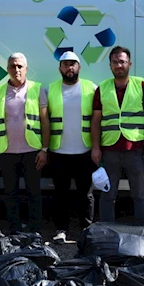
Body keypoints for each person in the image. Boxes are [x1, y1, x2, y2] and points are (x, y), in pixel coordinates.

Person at [91, 46, 144, 226]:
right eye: (115, 62)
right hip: (109, 150)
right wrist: (95, 147)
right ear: (110, 65)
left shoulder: (142, 86)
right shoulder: (102, 88)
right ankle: (107, 232)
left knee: (140, 194)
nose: (119, 65)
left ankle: (143, 232)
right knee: (107, 194)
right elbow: (96, 121)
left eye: (122, 61)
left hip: (136, 149)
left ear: (130, 64)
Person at [0, 53, 49, 234]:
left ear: (26, 69)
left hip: (32, 150)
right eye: (13, 66)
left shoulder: (37, 89)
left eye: (20, 66)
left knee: (34, 193)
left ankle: (35, 230)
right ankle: (14, 230)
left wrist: (44, 149)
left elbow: (45, 121)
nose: (16, 70)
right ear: (7, 69)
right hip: (7, 151)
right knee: (10, 194)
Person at [46, 51, 98, 243]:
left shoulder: (90, 88)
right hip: (59, 151)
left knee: (86, 195)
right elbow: (44, 121)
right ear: (60, 68)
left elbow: (97, 119)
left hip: (84, 150)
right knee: (61, 194)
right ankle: (61, 230)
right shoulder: (50, 89)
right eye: (66, 64)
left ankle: (87, 230)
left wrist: (96, 147)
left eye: (73, 64)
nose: (70, 68)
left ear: (79, 67)